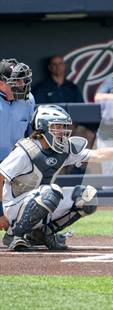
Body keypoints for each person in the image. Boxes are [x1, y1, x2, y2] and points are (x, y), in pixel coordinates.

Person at [0, 105, 113, 251]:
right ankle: (14, 235)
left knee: (86, 197)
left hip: (38, 200)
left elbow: (98, 155)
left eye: (63, 126)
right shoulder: (26, 151)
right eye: (57, 126)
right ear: (42, 126)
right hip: (11, 207)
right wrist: (0, 213)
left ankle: (41, 234)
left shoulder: (63, 148)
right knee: (50, 192)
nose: (62, 131)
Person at [0, 58, 35, 226]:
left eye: (23, 79)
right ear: (1, 84)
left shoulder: (28, 101)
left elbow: (30, 133)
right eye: (16, 81)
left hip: (15, 163)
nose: (22, 84)